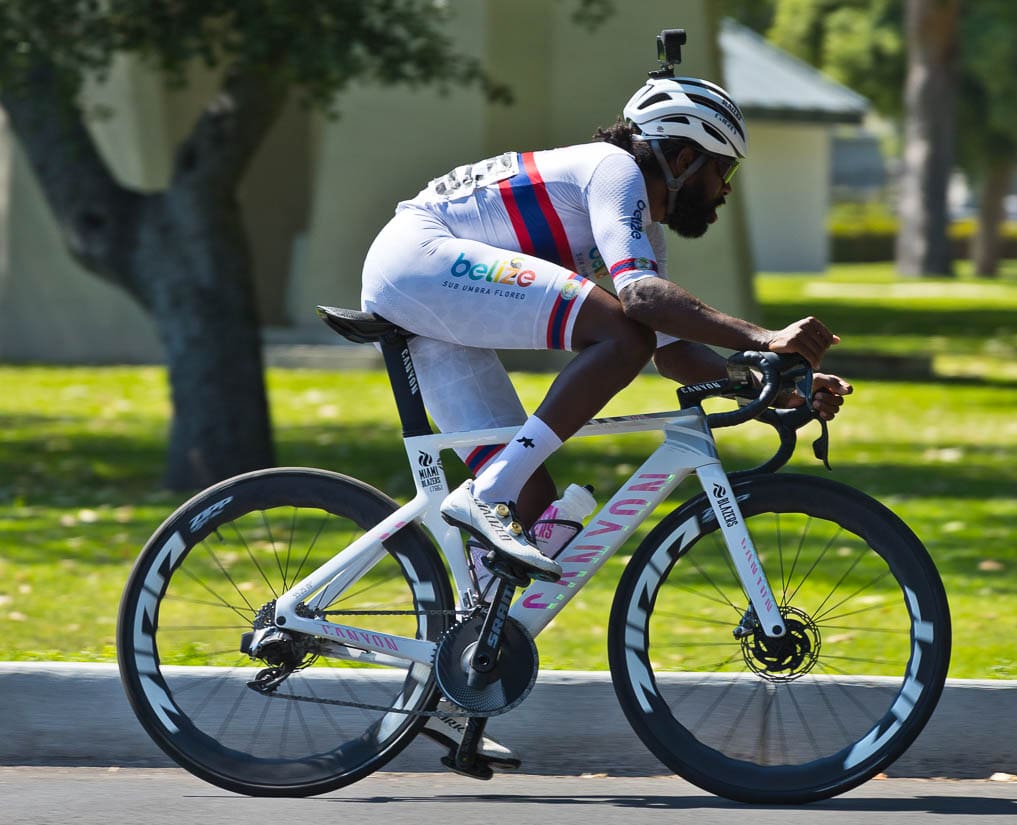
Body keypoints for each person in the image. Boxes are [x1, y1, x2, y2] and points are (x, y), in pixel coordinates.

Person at [360, 73, 852, 768]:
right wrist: (765, 336)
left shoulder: (635, 220)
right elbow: (642, 307)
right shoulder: (615, 171)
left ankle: (453, 689)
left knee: (531, 503)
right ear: (682, 158)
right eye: (723, 170)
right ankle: (486, 493)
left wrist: (772, 382)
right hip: (418, 259)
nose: (726, 189)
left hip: (425, 286)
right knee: (619, 337)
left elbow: (675, 346)